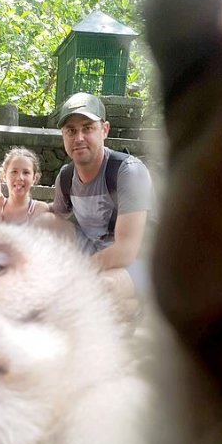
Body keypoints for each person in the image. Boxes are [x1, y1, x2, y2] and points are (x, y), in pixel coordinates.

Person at [48, 92, 152, 315]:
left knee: (100, 290)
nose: (79, 138)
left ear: (104, 130)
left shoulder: (128, 172)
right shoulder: (66, 178)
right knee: (42, 221)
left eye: (87, 128)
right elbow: (52, 217)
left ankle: (138, 307)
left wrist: (78, 273)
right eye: (71, 131)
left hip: (138, 262)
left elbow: (126, 251)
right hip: (95, 253)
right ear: (63, 136)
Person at [0, 147, 51, 224]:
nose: (19, 177)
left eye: (26, 172)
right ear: (4, 175)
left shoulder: (40, 209)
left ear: (34, 178)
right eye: (14, 172)